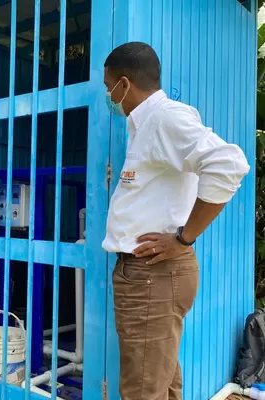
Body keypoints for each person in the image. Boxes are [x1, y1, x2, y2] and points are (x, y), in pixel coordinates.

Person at [102, 42, 250, 400]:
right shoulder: (145, 126)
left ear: (124, 84)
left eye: (108, 87)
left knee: (142, 390)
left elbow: (229, 164)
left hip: (153, 274)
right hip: (149, 275)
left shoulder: (165, 118)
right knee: (161, 381)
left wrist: (184, 238)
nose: (108, 95)